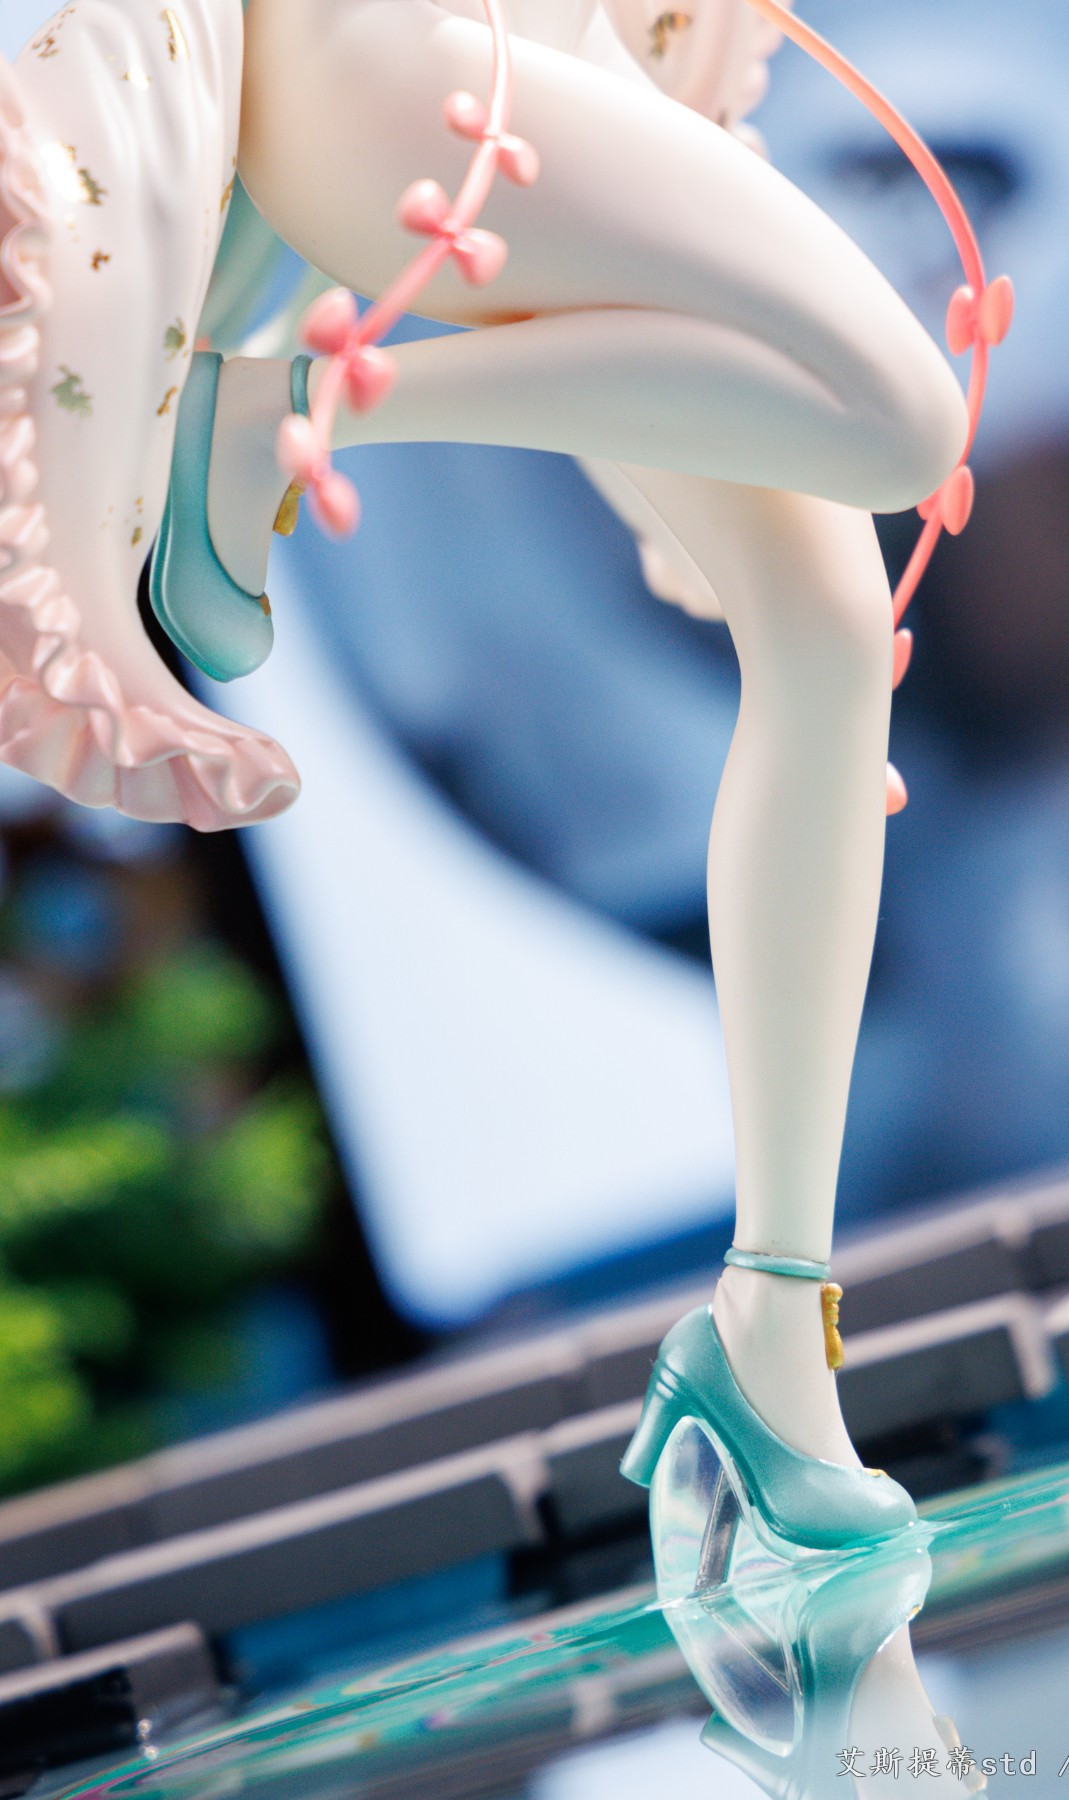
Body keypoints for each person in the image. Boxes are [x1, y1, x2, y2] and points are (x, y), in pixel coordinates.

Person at [0, 0, 968, 1555]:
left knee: (829, 635)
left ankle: (775, 1338)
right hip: (412, 59)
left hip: (535, 67)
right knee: (900, 415)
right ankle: (271, 426)